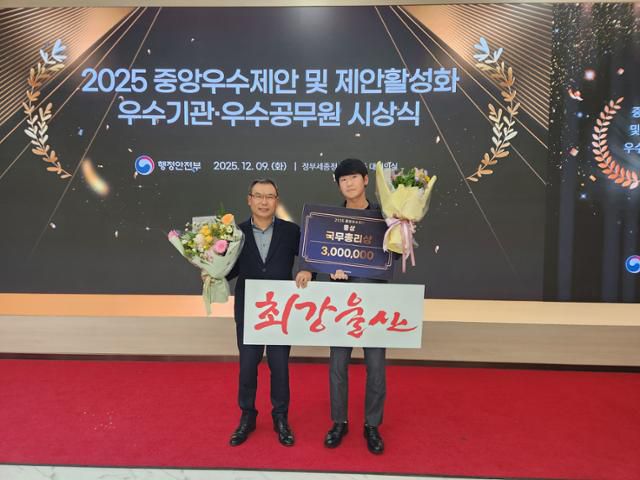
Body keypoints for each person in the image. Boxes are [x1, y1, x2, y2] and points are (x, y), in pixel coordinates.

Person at [225, 178, 311, 447]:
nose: (264, 202)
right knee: (247, 366)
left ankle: (280, 417)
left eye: (270, 196)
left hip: (280, 311)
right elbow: (230, 269)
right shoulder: (235, 233)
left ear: (277, 200)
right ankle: (247, 416)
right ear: (249, 199)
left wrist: (307, 270)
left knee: (280, 366)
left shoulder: (291, 231)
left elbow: (310, 255)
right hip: (249, 308)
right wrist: (212, 272)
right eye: (259, 196)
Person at [324, 158, 387, 455]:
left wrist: (403, 230)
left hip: (374, 304)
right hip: (342, 305)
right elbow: (322, 257)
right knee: (337, 366)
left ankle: (372, 424)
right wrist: (330, 271)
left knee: (376, 367)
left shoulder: (384, 217)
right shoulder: (331, 219)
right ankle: (340, 421)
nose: (348, 183)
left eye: (353, 177)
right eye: (343, 179)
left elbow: (395, 256)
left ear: (365, 179)